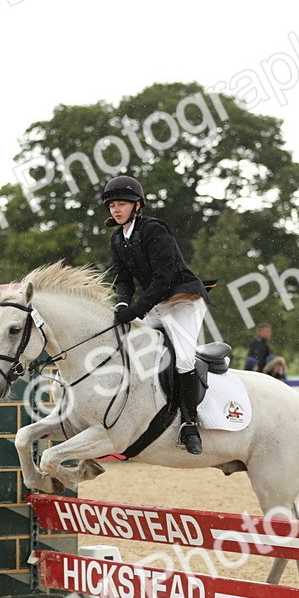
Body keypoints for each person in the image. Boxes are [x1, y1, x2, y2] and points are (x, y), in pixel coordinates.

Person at [104, 175, 210, 455]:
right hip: (156, 303)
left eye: (121, 204)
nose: (116, 210)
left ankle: (190, 423)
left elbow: (163, 280)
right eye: (112, 205)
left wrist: (136, 310)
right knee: (133, 349)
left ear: (137, 205)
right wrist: (123, 305)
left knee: (184, 357)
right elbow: (123, 280)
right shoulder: (118, 239)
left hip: (183, 300)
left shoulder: (154, 230)